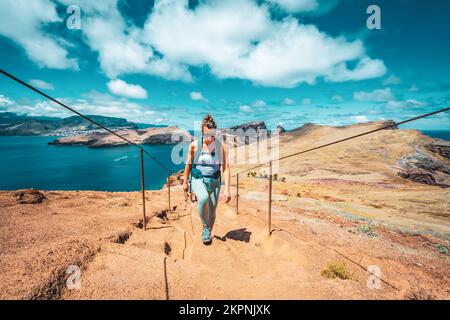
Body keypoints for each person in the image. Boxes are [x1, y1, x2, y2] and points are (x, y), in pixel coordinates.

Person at [183, 114, 231, 244]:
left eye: (212, 134)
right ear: (202, 132)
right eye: (206, 134)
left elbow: (225, 168)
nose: (210, 138)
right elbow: (188, 164)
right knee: (203, 199)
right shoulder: (194, 146)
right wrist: (185, 182)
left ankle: (208, 230)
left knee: (212, 210)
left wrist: (227, 189)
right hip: (198, 178)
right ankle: (205, 227)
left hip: (215, 180)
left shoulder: (221, 147)